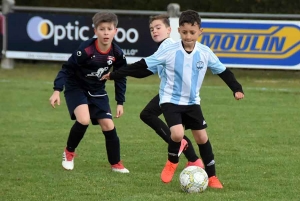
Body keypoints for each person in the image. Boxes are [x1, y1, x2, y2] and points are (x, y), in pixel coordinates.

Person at [101, 10, 244, 188]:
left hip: (192, 102)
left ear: (200, 31)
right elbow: (142, 66)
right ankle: (172, 162)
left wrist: (236, 88)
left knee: (202, 138)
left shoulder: (205, 52)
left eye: (192, 32)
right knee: (177, 133)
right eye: (184, 32)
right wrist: (114, 75)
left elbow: (223, 71)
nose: (188, 36)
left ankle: (212, 176)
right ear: (179, 32)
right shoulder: (170, 50)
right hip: (170, 99)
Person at [49, 12, 129, 173]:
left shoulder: (117, 53)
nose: (105, 32)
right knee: (84, 119)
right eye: (101, 29)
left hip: (97, 90)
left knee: (108, 125)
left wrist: (120, 102)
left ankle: (116, 164)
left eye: (109, 29)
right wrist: (57, 90)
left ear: (116, 31)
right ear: (95, 31)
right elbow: (67, 69)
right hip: (76, 87)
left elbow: (121, 77)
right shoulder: (86, 50)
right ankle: (69, 152)